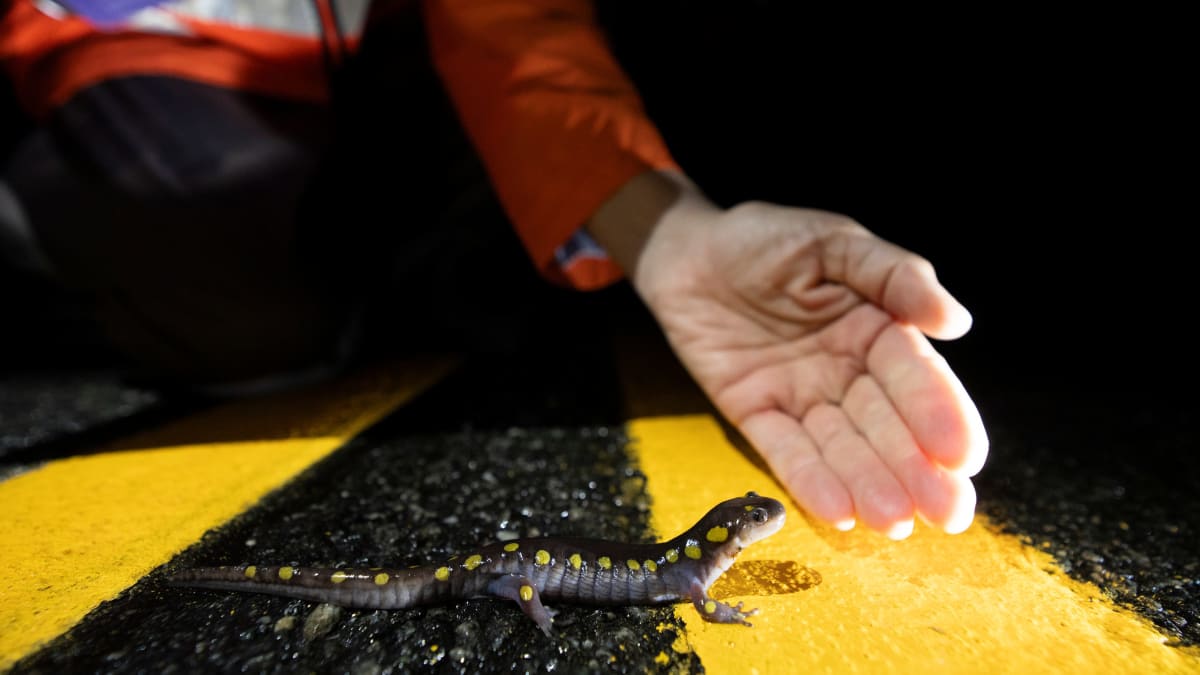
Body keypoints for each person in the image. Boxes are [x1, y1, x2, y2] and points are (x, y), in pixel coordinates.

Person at [0, 0, 987, 540]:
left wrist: (670, 230)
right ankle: (45, 243)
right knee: (231, 286)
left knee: (496, 288)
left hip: (393, 63)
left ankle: (376, 275)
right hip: (156, 45)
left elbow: (513, 28)